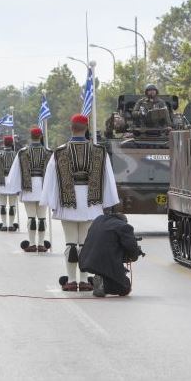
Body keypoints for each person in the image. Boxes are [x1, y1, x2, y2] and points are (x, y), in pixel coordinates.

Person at [40, 114, 120, 292]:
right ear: (86, 128)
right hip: (91, 203)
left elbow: (51, 179)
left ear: (71, 127)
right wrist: (107, 202)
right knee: (84, 243)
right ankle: (84, 280)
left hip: (67, 201)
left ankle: (70, 280)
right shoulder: (99, 151)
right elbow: (107, 178)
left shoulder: (59, 152)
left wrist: (51, 201)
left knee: (70, 243)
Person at [6, 126, 52, 252]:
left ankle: (32, 244)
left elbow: (15, 172)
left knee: (31, 217)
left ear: (30, 137)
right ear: (41, 136)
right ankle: (41, 244)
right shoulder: (49, 152)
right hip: (44, 187)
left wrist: (14, 188)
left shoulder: (22, 152)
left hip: (28, 187)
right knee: (42, 218)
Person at [79, 213, 143, 297]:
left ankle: (99, 279)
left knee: (109, 269)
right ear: (124, 221)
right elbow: (131, 247)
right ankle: (104, 286)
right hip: (105, 260)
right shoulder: (124, 226)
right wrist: (134, 256)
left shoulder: (98, 220)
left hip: (86, 260)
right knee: (125, 288)